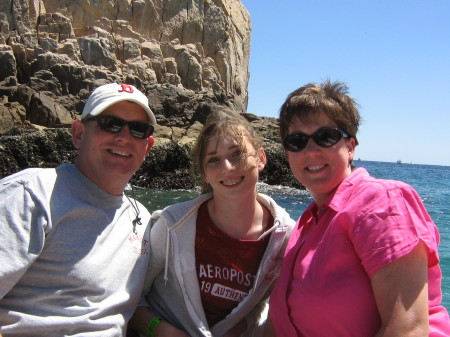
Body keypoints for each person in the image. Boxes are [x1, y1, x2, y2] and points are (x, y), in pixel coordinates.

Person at [265, 80, 450, 336]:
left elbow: (408, 328)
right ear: (288, 153)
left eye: (325, 137)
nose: (311, 151)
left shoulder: (380, 202)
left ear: (350, 147)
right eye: (297, 141)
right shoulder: (308, 224)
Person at [0, 82, 157, 336]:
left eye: (138, 130)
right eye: (110, 123)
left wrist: (160, 329)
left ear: (147, 147)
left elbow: (130, 301)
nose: (124, 137)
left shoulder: (143, 219)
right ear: (79, 133)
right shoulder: (31, 194)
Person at [128, 109, 295, 337]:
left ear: (261, 158)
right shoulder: (172, 226)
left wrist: (239, 328)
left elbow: (263, 304)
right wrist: (163, 331)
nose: (227, 167)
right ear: (205, 173)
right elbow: (131, 298)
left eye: (237, 153)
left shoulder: (285, 238)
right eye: (214, 160)